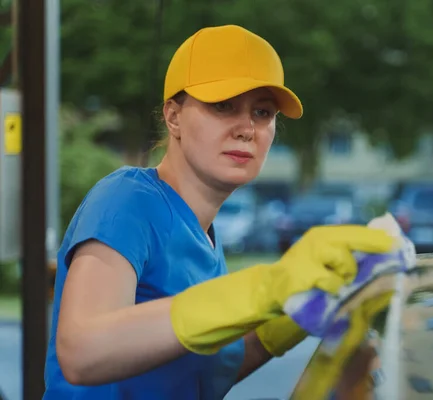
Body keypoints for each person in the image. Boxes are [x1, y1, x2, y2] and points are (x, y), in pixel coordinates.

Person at [42, 24, 395, 399]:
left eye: (263, 112)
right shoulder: (126, 200)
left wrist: (281, 326)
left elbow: (199, 376)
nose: (246, 129)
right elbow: (81, 351)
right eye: (222, 105)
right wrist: (262, 289)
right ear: (173, 116)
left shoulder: (207, 239)